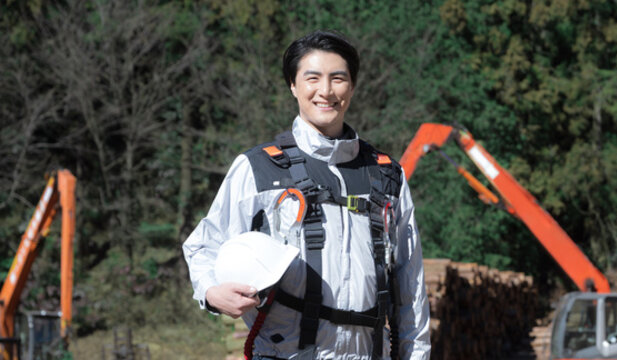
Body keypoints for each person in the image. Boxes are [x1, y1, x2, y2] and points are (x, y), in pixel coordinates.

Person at [182, 30, 431, 360]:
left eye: (337, 78)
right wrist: (212, 292)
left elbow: (411, 285)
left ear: (352, 86)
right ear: (293, 85)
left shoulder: (387, 175)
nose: (325, 91)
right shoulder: (259, 168)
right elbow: (204, 245)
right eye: (312, 78)